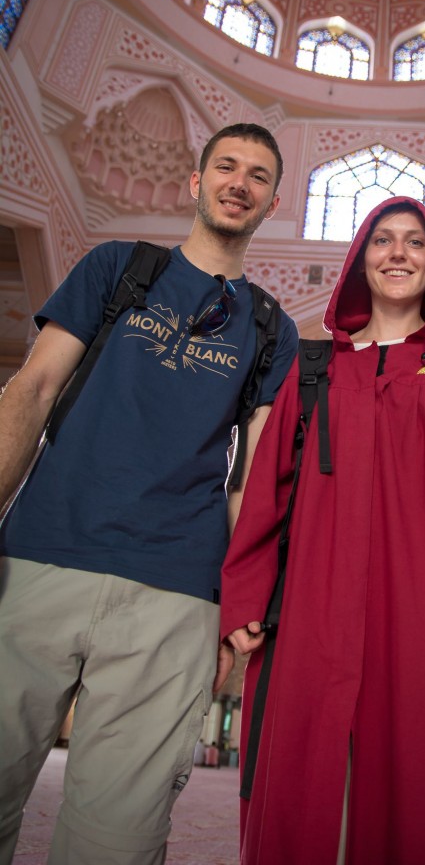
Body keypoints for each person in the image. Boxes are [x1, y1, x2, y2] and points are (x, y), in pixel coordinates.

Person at [221, 196, 425, 864]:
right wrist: (245, 599)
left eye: (416, 242)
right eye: (382, 240)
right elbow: (266, 498)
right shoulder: (314, 371)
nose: (397, 253)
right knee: (309, 782)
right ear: (359, 261)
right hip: (316, 611)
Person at [0, 123, 298, 865]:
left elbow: (253, 481)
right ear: (194, 184)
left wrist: (245, 605)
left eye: (258, 176)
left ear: (271, 201)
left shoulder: (270, 326)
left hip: (176, 591)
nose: (240, 182)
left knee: (117, 837)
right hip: (41, 559)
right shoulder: (118, 268)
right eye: (225, 166)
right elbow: (30, 392)